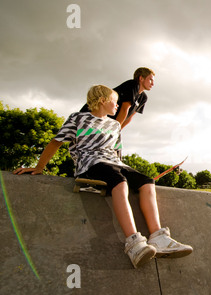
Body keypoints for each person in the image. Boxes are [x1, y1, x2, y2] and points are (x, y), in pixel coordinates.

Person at [14, 85, 193, 268]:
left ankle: (159, 238)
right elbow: (56, 142)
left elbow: (117, 153)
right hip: (89, 163)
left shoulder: (115, 125)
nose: (117, 106)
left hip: (114, 163)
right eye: (114, 102)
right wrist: (39, 167)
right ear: (102, 101)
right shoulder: (78, 118)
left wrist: (129, 173)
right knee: (119, 182)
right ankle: (134, 243)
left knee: (146, 182)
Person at [80, 67, 155, 129]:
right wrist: (114, 130)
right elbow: (124, 109)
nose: (153, 84)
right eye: (150, 79)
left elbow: (129, 117)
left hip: (104, 124)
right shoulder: (132, 85)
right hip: (89, 115)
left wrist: (117, 131)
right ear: (141, 78)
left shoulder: (143, 98)